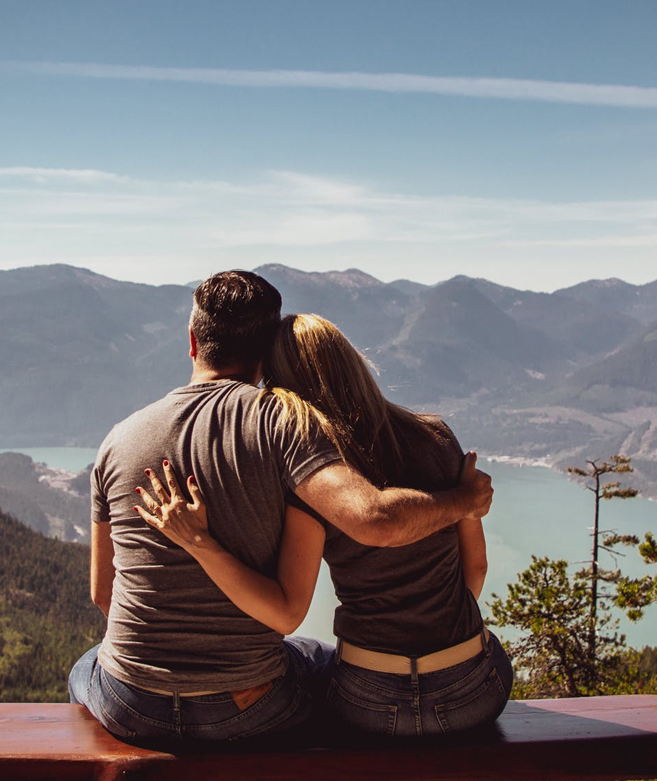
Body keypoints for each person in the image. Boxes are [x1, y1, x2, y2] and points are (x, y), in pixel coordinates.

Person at [70, 273, 493, 746]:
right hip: (249, 706)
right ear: (266, 351)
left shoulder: (116, 440)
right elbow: (372, 525)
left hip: (131, 703)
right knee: (312, 656)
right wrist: (464, 501)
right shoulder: (285, 426)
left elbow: (104, 595)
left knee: (86, 666)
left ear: (192, 342)